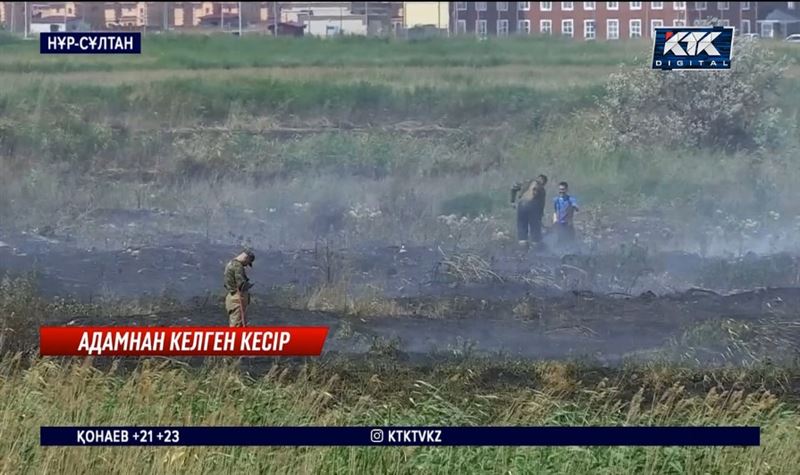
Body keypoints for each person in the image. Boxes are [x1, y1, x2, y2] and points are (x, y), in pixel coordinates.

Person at [510, 174, 548, 248]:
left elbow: (513, 188)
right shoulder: (541, 189)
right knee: (535, 228)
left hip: (522, 206)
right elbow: (541, 205)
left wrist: (512, 201)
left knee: (522, 226)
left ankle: (522, 248)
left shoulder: (526, 182)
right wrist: (539, 217)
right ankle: (536, 248)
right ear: (544, 182)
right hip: (533, 207)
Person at [223, 248, 255, 327]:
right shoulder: (238, 266)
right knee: (238, 324)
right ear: (246, 258)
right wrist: (249, 285)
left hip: (231, 296)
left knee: (235, 321)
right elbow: (241, 284)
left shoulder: (230, 263)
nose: (246, 265)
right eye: (248, 263)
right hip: (238, 298)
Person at [552, 181, 579, 247]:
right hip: (559, 224)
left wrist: (574, 206)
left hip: (568, 223)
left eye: (563, 189)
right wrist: (554, 220)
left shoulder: (571, 199)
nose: (561, 191)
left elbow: (576, 207)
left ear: (566, 190)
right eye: (560, 189)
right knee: (560, 240)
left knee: (571, 240)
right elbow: (555, 211)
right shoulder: (556, 200)